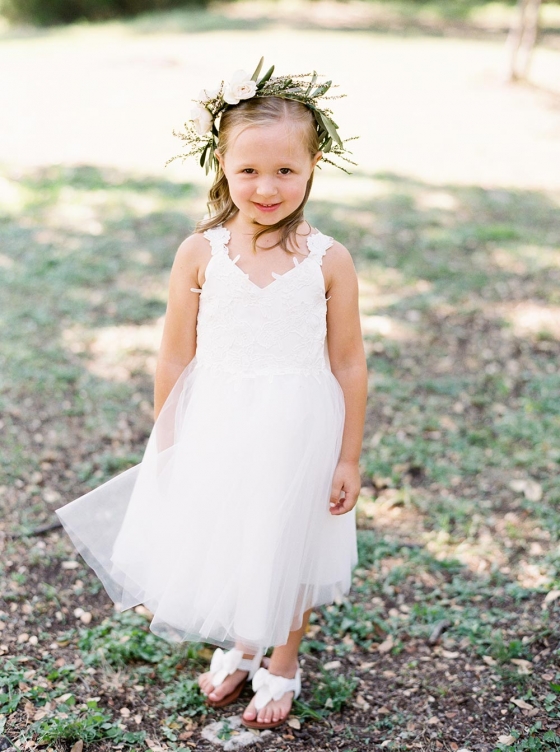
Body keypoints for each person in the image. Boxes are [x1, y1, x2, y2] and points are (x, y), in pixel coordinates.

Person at [55, 59, 368, 731]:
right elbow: (174, 352)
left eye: (286, 169)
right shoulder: (200, 253)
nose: (266, 186)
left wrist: (347, 457)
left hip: (299, 426)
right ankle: (244, 641)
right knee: (234, 533)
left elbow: (347, 363)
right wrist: (168, 438)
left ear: (316, 164)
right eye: (249, 169)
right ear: (220, 162)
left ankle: (283, 661)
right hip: (219, 418)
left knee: (289, 540)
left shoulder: (328, 259)